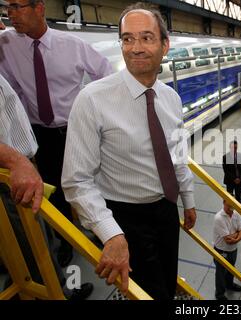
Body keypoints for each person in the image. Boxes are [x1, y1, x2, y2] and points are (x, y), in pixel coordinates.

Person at [61, 5, 197, 299]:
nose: (136, 48)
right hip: (125, 216)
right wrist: (111, 232)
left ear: (165, 45)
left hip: (165, 210)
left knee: (167, 280)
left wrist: (188, 199)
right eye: (127, 39)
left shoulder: (171, 98)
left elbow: (177, 155)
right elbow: (76, 181)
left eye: (146, 38)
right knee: (149, 293)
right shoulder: (92, 100)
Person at [0, 0, 113, 268]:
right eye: (7, 7)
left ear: (39, 8)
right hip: (41, 134)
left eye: (17, 6)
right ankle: (67, 241)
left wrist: (93, 110)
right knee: (55, 189)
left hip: (75, 130)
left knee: (89, 183)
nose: (10, 13)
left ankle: (103, 232)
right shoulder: (7, 43)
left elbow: (106, 74)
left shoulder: (71, 45)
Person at [0, 71, 93, 300]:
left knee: (40, 240)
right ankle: (56, 293)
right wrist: (15, 161)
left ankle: (50, 285)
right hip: (10, 176)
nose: (3, 31)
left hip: (23, 166)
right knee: (32, 248)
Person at [213, 200, 241, 300]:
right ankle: (219, 294)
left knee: (231, 269)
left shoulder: (236, 214)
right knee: (220, 273)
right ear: (223, 202)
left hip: (233, 249)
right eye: (229, 204)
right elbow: (227, 240)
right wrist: (237, 233)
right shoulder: (219, 218)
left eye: (233, 205)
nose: (231, 207)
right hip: (221, 250)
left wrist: (236, 237)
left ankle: (229, 285)